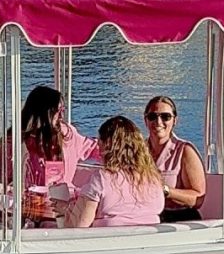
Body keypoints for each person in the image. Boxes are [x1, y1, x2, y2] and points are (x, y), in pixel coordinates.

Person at [64, 116, 164, 228]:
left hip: (106, 242)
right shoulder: (154, 178)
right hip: (147, 240)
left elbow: (78, 227)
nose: (97, 145)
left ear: (106, 144)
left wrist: (64, 210)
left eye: (99, 141)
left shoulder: (102, 178)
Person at [14, 85, 100, 189]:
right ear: (43, 112)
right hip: (28, 198)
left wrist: (120, 152)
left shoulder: (68, 135)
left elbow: (94, 148)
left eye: (62, 110)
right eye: (57, 111)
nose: (61, 116)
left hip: (64, 199)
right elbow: (8, 176)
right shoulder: (20, 139)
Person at [143, 95, 207, 223]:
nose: (158, 122)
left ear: (175, 120)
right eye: (152, 116)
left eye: (165, 117)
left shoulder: (185, 151)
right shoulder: (138, 151)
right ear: (145, 120)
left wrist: (165, 190)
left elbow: (198, 199)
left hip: (180, 219)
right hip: (147, 217)